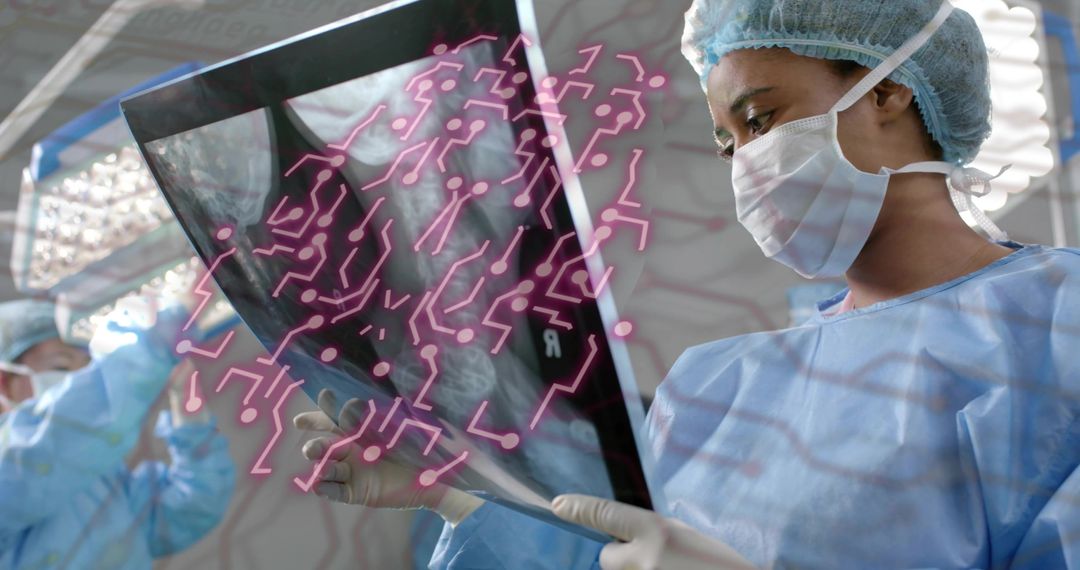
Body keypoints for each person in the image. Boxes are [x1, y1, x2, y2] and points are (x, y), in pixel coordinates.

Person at [295, 0, 1080, 568]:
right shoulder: (717, 387)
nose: (745, 164)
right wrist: (454, 492)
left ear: (888, 91)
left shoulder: (1058, 325)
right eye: (725, 143)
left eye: (762, 120)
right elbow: (608, 555)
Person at [0, 299, 236, 569]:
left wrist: (187, 407)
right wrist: (155, 347)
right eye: (62, 367)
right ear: (4, 383)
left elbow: (193, 507)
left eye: (87, 368)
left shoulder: (103, 482)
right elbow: (59, 440)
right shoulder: (13, 466)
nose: (77, 380)